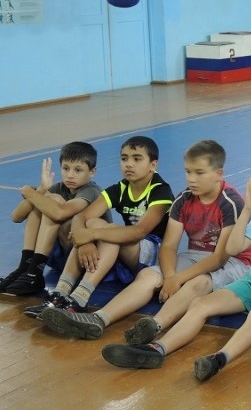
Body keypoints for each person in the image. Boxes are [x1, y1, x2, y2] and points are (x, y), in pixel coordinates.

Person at [99, 153, 251, 382]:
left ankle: (219, 358)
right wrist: (248, 211)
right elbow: (234, 247)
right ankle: (157, 349)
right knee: (200, 304)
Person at [40, 140, 251, 342]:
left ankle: (155, 325)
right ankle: (98, 319)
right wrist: (169, 276)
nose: (191, 179)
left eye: (199, 173)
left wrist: (177, 279)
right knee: (147, 275)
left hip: (234, 261)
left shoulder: (230, 202)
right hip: (194, 256)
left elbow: (219, 258)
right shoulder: (184, 199)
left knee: (198, 282)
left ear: (218, 174)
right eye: (188, 172)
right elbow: (169, 245)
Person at [23, 136, 174, 318]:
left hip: (154, 254)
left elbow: (139, 232)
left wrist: (91, 235)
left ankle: (79, 299)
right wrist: (84, 242)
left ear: (153, 165)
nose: (129, 164)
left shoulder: (160, 190)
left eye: (137, 159)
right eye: (124, 158)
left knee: (106, 230)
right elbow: (81, 217)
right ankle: (60, 294)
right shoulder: (120, 188)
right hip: (129, 250)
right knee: (95, 223)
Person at [1, 142, 103, 296]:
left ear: (92, 172)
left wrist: (31, 193)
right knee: (41, 201)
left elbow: (60, 213)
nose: (70, 175)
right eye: (66, 168)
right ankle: (26, 266)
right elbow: (16, 217)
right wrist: (41, 190)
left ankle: (35, 271)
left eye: (78, 170)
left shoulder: (92, 191)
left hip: (87, 259)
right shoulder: (59, 187)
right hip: (60, 257)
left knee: (51, 201)